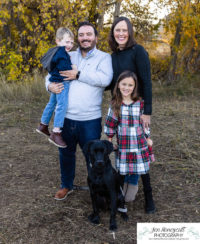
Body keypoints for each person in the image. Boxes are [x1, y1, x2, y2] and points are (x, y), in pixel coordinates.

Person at [45, 21, 113, 200]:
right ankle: (66, 185)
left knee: (94, 156)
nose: (85, 38)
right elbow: (50, 74)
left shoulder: (104, 58)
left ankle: (97, 187)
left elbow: (105, 79)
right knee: (66, 153)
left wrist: (79, 74)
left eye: (89, 34)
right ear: (77, 38)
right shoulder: (68, 54)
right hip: (66, 118)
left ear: (95, 38)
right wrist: (49, 86)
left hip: (90, 119)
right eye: (81, 35)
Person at [107, 16, 155, 212]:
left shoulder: (138, 51)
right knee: (125, 148)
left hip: (138, 109)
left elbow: (147, 81)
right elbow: (110, 83)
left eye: (124, 30)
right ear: (113, 33)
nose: (120, 34)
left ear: (129, 32)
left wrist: (148, 112)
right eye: (117, 30)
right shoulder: (113, 56)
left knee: (141, 150)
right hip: (120, 107)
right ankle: (123, 187)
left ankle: (149, 196)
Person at [104, 71, 155, 214]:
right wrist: (109, 140)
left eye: (130, 85)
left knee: (144, 172)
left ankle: (149, 199)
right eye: (124, 84)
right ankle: (118, 199)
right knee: (121, 173)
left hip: (139, 145)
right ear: (118, 85)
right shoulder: (115, 104)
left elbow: (145, 124)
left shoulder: (140, 103)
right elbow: (110, 125)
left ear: (135, 86)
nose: (127, 88)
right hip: (124, 146)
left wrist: (147, 137)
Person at [36, 27, 76, 148]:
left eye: (71, 42)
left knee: (52, 103)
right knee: (62, 106)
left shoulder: (55, 51)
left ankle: (43, 125)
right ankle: (56, 132)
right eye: (66, 41)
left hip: (55, 81)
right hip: (62, 83)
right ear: (58, 41)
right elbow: (65, 70)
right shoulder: (62, 53)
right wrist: (73, 68)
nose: (69, 45)